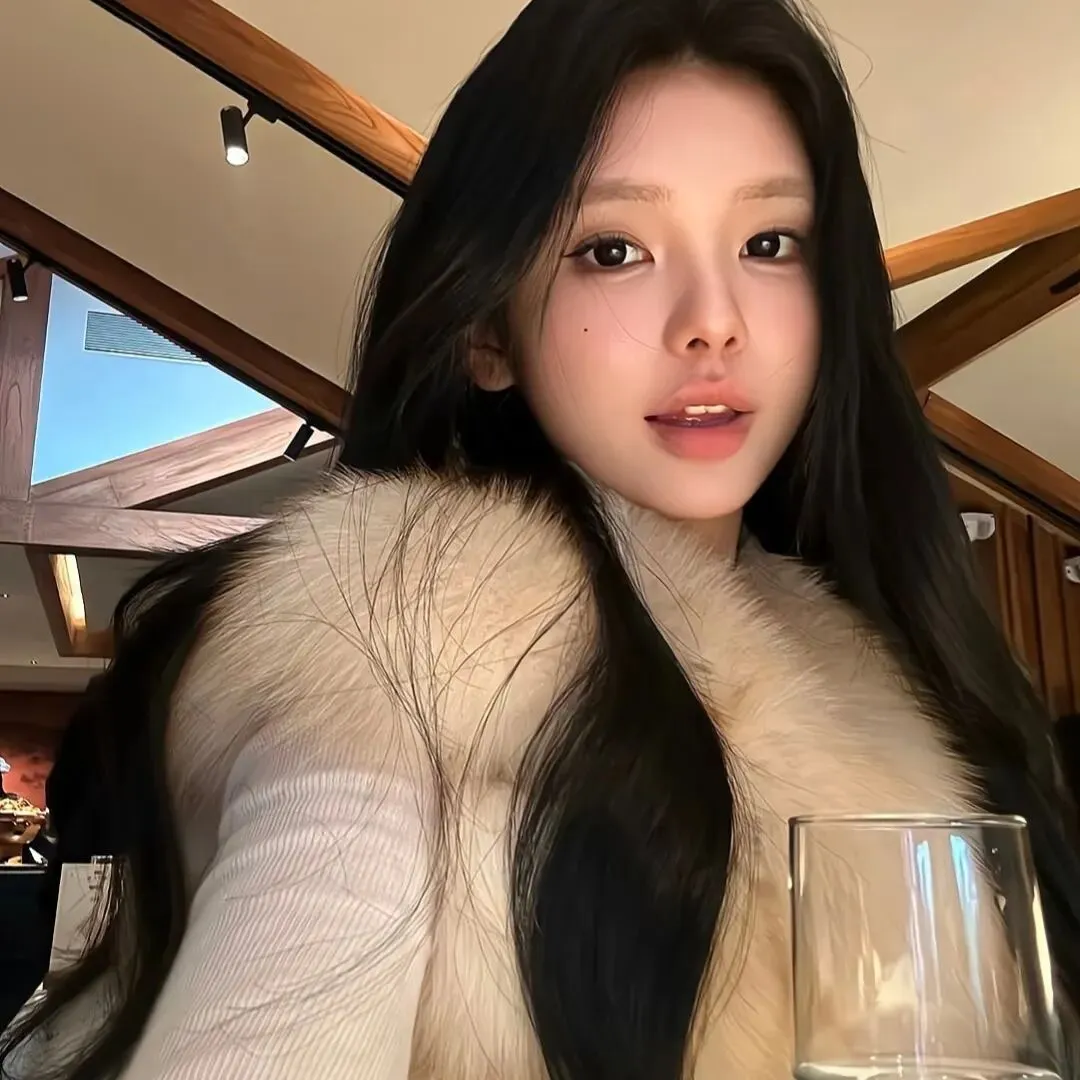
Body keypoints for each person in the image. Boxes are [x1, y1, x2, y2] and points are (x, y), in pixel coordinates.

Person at [3, 0, 1080, 1076]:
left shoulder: (880, 668)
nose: (713, 320)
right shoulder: (401, 641)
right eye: (614, 249)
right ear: (487, 330)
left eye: (768, 243)